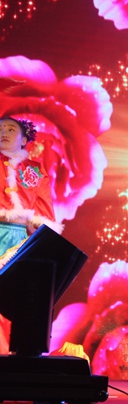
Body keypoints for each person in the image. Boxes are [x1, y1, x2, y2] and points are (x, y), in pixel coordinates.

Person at [0, 116, 61, 353]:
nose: (3, 132)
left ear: (24, 139)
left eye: (10, 129)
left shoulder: (34, 170)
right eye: (0, 129)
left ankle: (9, 357)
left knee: (12, 301)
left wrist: (40, 241)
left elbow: (44, 211)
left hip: (19, 240)